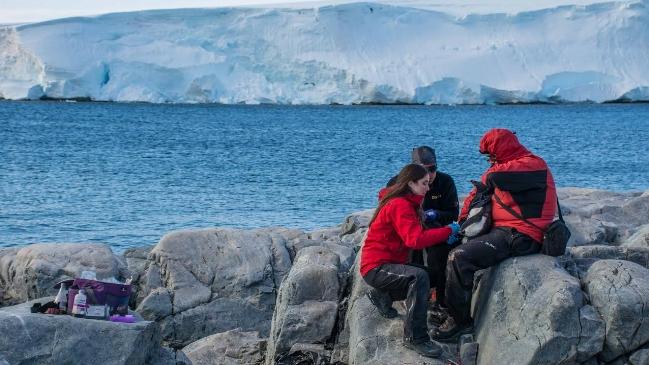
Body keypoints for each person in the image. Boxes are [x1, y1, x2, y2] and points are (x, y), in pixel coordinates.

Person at [432, 128, 558, 342]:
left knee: (460, 257)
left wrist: (491, 170)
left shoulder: (533, 165)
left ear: (503, 148)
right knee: (445, 248)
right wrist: (460, 224)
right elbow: (477, 194)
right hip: (502, 229)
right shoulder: (505, 167)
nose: (489, 159)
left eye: (491, 153)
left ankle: (460, 322)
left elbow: (495, 177)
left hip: (523, 234)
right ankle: (445, 305)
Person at [361, 163, 461, 358]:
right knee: (419, 278)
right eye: (424, 183)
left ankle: (384, 297)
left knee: (432, 275)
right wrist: (448, 230)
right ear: (411, 184)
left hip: (390, 263)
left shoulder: (408, 202)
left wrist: (444, 233)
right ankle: (415, 337)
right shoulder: (400, 204)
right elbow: (415, 240)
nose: (428, 187)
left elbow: (418, 232)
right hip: (376, 267)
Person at [387, 146, 459, 321]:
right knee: (412, 252)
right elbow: (387, 211)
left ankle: (441, 300)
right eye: (425, 171)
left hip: (434, 227)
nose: (431, 174)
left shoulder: (445, 182)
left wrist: (436, 214)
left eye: (433, 168)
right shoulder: (396, 184)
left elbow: (452, 213)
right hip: (409, 230)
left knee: (440, 253)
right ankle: (413, 294)